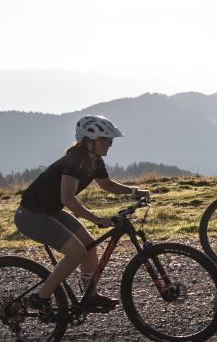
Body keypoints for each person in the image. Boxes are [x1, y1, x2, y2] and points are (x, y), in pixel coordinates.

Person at [18, 115, 151, 315]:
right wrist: (96, 220)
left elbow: (107, 185)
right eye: (106, 140)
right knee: (76, 252)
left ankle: (90, 297)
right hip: (30, 215)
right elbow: (68, 199)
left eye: (111, 140)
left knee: (89, 247)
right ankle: (40, 297)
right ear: (90, 141)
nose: (110, 144)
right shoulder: (76, 162)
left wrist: (135, 191)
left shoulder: (94, 160)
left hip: (50, 211)